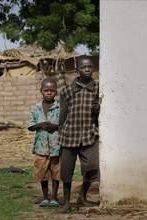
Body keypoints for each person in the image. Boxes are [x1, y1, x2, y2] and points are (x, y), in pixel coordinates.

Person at [57, 55, 100, 213]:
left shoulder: (97, 89)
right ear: (77, 69)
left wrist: (98, 111)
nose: (87, 69)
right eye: (83, 67)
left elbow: (103, 111)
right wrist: (60, 133)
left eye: (90, 66)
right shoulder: (67, 91)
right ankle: (67, 202)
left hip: (89, 134)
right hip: (69, 135)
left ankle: (82, 195)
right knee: (66, 170)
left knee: (92, 166)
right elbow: (63, 114)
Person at [28, 77, 60, 208]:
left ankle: (54, 197)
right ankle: (45, 197)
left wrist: (55, 126)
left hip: (57, 146)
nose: (49, 93)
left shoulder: (60, 107)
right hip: (41, 147)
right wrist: (40, 124)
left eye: (52, 90)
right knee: (43, 172)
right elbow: (30, 126)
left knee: (56, 172)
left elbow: (66, 123)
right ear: (41, 91)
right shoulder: (36, 108)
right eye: (46, 90)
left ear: (56, 92)